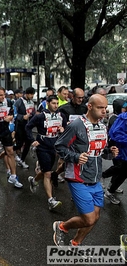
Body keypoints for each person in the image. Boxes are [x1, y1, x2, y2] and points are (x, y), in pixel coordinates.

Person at [53, 94, 118, 247]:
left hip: (95, 178)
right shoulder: (76, 125)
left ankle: (76, 243)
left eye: (105, 108)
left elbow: (100, 151)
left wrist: (110, 151)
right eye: (100, 108)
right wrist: (75, 157)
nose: (104, 111)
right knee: (88, 218)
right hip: (78, 178)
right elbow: (59, 146)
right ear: (90, 107)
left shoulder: (102, 125)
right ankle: (61, 226)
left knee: (95, 218)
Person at [26, 95, 67, 210]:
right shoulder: (40, 116)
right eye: (53, 103)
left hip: (54, 146)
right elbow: (28, 127)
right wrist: (33, 141)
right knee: (48, 173)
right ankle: (51, 200)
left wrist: (63, 130)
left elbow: (65, 128)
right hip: (42, 146)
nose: (56, 106)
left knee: (46, 170)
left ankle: (34, 180)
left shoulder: (61, 115)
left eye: (57, 103)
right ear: (47, 103)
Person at [13, 86, 36, 169]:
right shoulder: (18, 102)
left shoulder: (32, 102)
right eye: (31, 95)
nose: (32, 96)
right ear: (27, 94)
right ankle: (10, 152)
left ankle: (22, 160)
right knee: (19, 143)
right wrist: (22, 117)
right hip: (20, 126)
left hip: (28, 126)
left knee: (28, 143)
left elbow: (33, 112)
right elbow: (14, 114)